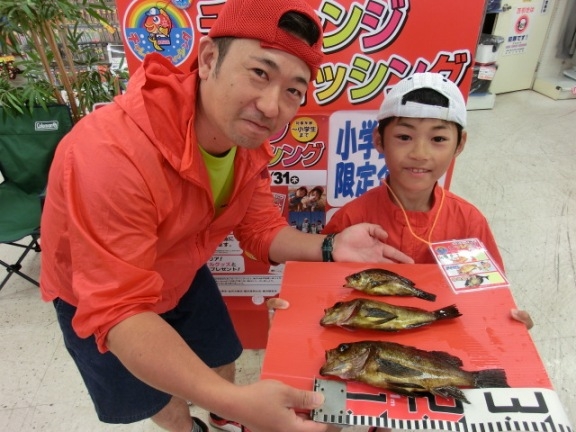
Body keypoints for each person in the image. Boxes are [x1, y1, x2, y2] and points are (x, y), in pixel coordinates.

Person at [39, 1, 413, 432]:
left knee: (220, 355)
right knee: (155, 394)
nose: (272, 107)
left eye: (293, 90)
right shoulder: (111, 153)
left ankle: (224, 416)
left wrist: (331, 246)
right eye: (260, 73)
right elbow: (120, 309)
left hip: (182, 270)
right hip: (102, 294)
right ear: (208, 59)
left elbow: (260, 229)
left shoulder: (244, 143)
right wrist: (241, 402)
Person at [269, 72, 533, 432]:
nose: (420, 153)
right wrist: (292, 310)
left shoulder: (469, 221)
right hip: (368, 361)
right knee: (324, 418)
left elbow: (487, 295)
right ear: (379, 139)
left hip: (442, 352)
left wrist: (508, 323)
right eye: (404, 136)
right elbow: (328, 295)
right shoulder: (353, 219)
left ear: (460, 144)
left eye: (438, 138)